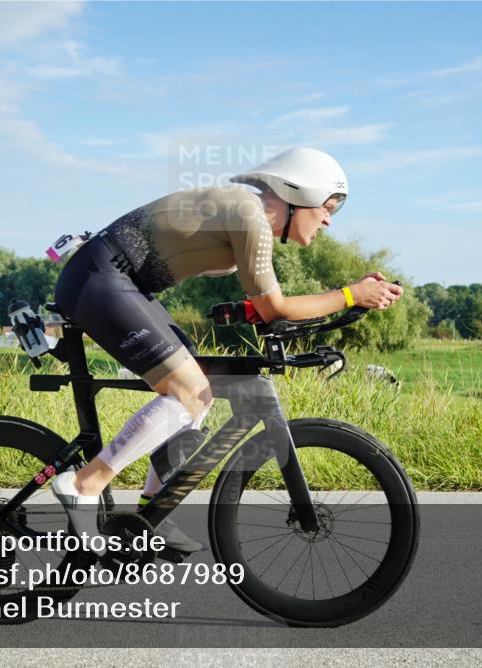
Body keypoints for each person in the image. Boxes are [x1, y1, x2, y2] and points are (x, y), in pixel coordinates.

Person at [50, 147, 404, 554]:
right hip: (101, 280)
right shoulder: (249, 216)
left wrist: (260, 309)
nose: (327, 220)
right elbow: (278, 307)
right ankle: (83, 483)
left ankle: (150, 515)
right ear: (296, 196)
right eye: (326, 208)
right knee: (188, 391)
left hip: (122, 283)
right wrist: (351, 294)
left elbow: (265, 305)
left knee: (198, 399)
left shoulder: (250, 219)